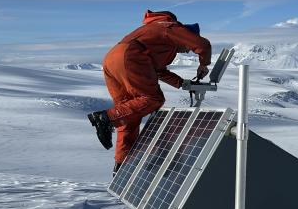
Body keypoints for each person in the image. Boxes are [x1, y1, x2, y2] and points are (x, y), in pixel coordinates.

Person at [88, 10, 211, 173]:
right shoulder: (170, 27)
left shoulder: (158, 39)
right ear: (185, 36)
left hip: (112, 60)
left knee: (129, 112)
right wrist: (204, 64)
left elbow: (158, 70)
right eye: (187, 46)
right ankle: (107, 118)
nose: (187, 50)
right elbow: (203, 45)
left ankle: (121, 165)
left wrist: (182, 83)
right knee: (153, 99)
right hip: (131, 56)